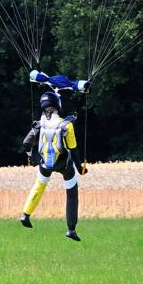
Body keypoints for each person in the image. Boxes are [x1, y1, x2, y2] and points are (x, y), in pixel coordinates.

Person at [19, 90, 87, 241]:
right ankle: (71, 229)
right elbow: (73, 149)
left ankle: (25, 215)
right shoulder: (66, 125)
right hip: (63, 164)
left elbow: (26, 142)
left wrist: (30, 157)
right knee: (71, 192)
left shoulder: (39, 124)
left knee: (39, 185)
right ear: (58, 105)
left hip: (45, 164)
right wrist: (79, 167)